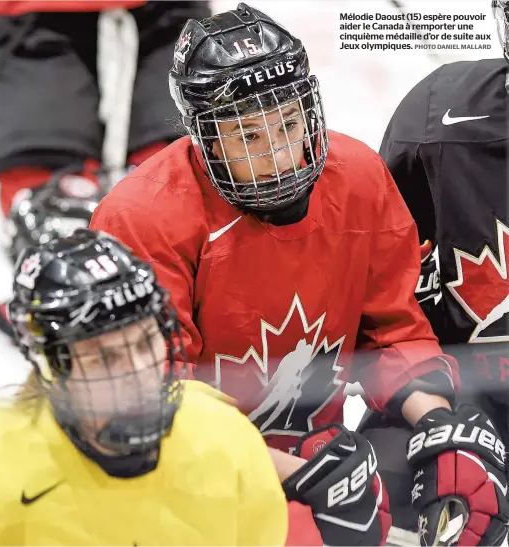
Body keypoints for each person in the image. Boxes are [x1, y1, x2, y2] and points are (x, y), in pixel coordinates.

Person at [88, 3, 508, 545]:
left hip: (321, 452)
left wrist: (439, 425)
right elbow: (149, 406)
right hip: (184, 468)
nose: (279, 156)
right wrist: (300, 479)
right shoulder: (141, 219)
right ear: (204, 138)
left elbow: (393, 331)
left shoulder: (357, 177)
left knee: (447, 492)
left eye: (288, 124)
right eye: (249, 137)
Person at [0, 229, 289, 546]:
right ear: (52, 365)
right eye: (104, 358)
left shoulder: (227, 439)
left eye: (146, 343)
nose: (137, 373)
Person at [0, 0, 211, 336]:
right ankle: (68, 305)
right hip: (32, 14)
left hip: (164, 12)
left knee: (183, 175)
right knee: (49, 201)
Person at [375, 0, 509, 543]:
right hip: (465, 410)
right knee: (369, 499)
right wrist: (432, 413)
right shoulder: (441, 114)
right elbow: (379, 300)